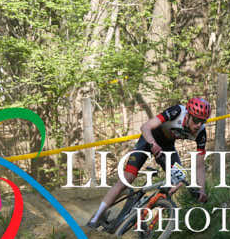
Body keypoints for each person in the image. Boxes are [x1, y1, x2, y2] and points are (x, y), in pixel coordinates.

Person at [86, 97, 210, 229]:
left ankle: (148, 209)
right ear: (188, 115)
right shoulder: (177, 112)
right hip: (149, 139)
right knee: (127, 178)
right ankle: (96, 218)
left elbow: (199, 165)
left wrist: (202, 190)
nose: (198, 125)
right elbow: (145, 127)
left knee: (179, 179)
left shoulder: (201, 133)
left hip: (167, 146)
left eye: (202, 121)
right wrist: (152, 144)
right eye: (196, 120)